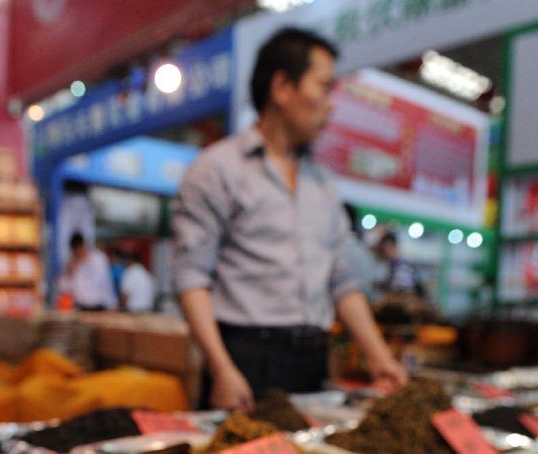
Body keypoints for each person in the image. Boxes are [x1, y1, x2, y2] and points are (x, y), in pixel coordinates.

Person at [173, 27, 406, 410]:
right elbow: (191, 278)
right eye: (324, 87)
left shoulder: (324, 185)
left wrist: (380, 358)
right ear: (282, 87)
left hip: (311, 360)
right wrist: (222, 368)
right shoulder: (217, 170)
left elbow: (343, 282)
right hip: (246, 360)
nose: (331, 104)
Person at [63, 232, 117, 312]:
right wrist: (69, 272)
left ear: (82, 246)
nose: (78, 254)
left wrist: (111, 304)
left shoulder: (99, 259)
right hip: (81, 308)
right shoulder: (73, 264)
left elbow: (106, 283)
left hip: (100, 307)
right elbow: (65, 288)